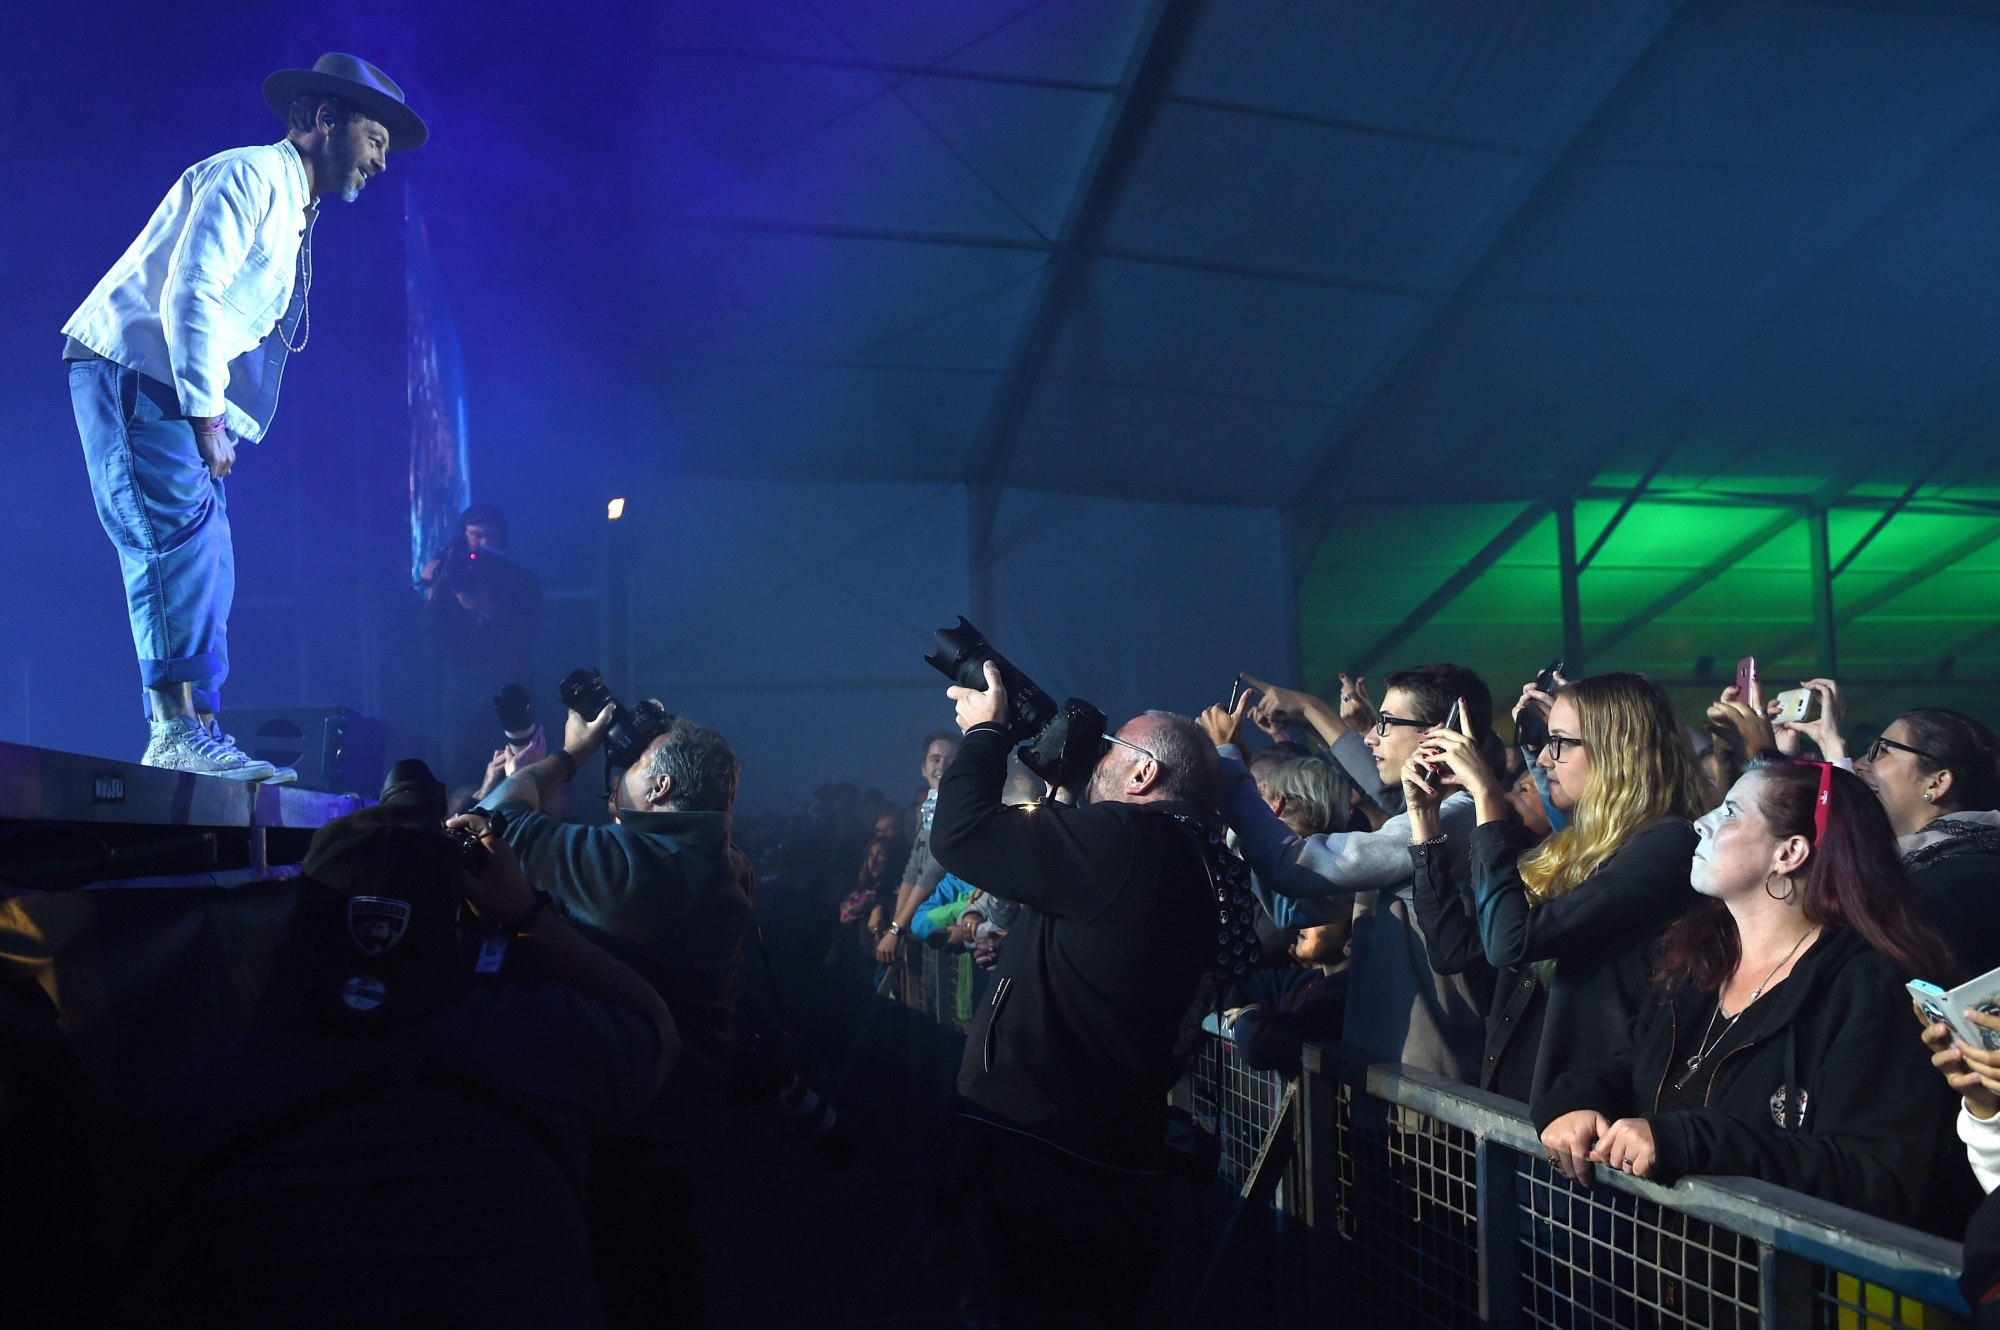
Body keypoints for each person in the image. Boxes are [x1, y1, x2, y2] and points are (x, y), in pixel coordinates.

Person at [132, 804, 674, 1328]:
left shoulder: (210, 1096)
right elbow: (654, 1025)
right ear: (457, 927)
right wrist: (523, 913)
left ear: (296, 926)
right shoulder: (541, 1046)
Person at [63, 54, 424, 779]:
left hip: (168, 385)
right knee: (175, 546)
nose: (381, 163)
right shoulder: (250, 176)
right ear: (327, 120)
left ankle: (197, 730)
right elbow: (191, 294)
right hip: (142, 375)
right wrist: (207, 419)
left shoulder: (290, 204)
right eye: (376, 140)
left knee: (208, 559)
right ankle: (172, 734)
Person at [1535, 758, 1977, 1236]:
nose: (1701, 822)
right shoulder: (1705, 955)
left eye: (1728, 812)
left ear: (1789, 853)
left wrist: (1690, 1139)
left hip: (1784, 1298)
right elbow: (1634, 1063)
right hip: (1668, 1284)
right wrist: (1573, 1101)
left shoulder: (1870, 986)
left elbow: (1875, 1174)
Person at [931, 662, 1219, 1330]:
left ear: (1145, 774)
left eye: (1115, 748)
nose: (1101, 758)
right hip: (1108, 1164)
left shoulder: (1131, 840)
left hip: (1057, 1173)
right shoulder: (1180, 853)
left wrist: (986, 734)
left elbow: (962, 835)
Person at [481, 703, 754, 1329]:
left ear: (659, 787)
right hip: (692, 1119)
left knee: (619, 1291)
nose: (621, 772)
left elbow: (495, 818)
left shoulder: (629, 869)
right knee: (673, 1282)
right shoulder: (728, 864)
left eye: (634, 765)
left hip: (628, 1129)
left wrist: (571, 755)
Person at [1411, 672, 1705, 1101]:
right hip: (1527, 1107)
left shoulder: (1666, 845)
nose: (1544, 760)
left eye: (1561, 743)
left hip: (1589, 1119)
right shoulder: (1576, 845)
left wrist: (1488, 801)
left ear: (1616, 750)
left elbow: (1509, 944)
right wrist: (1424, 817)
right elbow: (1453, 950)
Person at [1201, 666, 1499, 1082]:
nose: (1371, 736)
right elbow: (1295, 908)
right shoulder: (1431, 819)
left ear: (1438, 735)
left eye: (1386, 723)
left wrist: (1230, 766)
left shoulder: (1453, 823)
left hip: (1431, 1100)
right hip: (1399, 1088)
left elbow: (1298, 869)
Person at [1855, 708, 2000, 972]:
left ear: (1936, 783)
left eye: (1883, 751)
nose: (1860, 763)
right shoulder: (1952, 866)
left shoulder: (1935, 887)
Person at [420, 504, 544, 790]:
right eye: (477, 535)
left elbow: (526, 636)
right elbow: (430, 641)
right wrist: (431, 589)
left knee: (515, 775)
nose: (484, 543)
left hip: (507, 690)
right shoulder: (448, 577)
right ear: (462, 535)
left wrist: (488, 610)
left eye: (491, 536)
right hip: (460, 692)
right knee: (460, 774)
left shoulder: (521, 581)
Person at [875, 731, 959, 970]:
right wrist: (896, 927)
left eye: (951, 760)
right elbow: (914, 868)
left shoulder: (958, 807)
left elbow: (934, 870)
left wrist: (896, 929)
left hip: (948, 920)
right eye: (935, 759)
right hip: (927, 921)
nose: (942, 765)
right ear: (923, 767)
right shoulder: (929, 806)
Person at [1224, 922, 1349, 1079]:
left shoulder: (1338, 1000)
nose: (1306, 920)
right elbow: (1257, 986)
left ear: (1350, 945)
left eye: (1322, 916)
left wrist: (1250, 1011)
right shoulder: (1309, 980)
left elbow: (1256, 1040)